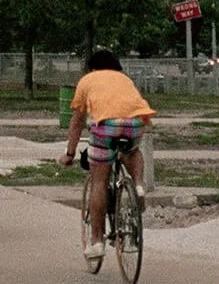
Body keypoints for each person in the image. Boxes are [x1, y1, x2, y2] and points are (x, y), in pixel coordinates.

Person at [61, 50, 156, 261]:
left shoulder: (87, 80)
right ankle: (138, 185)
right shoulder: (124, 79)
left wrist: (69, 153)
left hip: (106, 127)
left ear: (92, 67)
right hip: (134, 123)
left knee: (99, 182)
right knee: (132, 151)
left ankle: (96, 242)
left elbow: (76, 121)